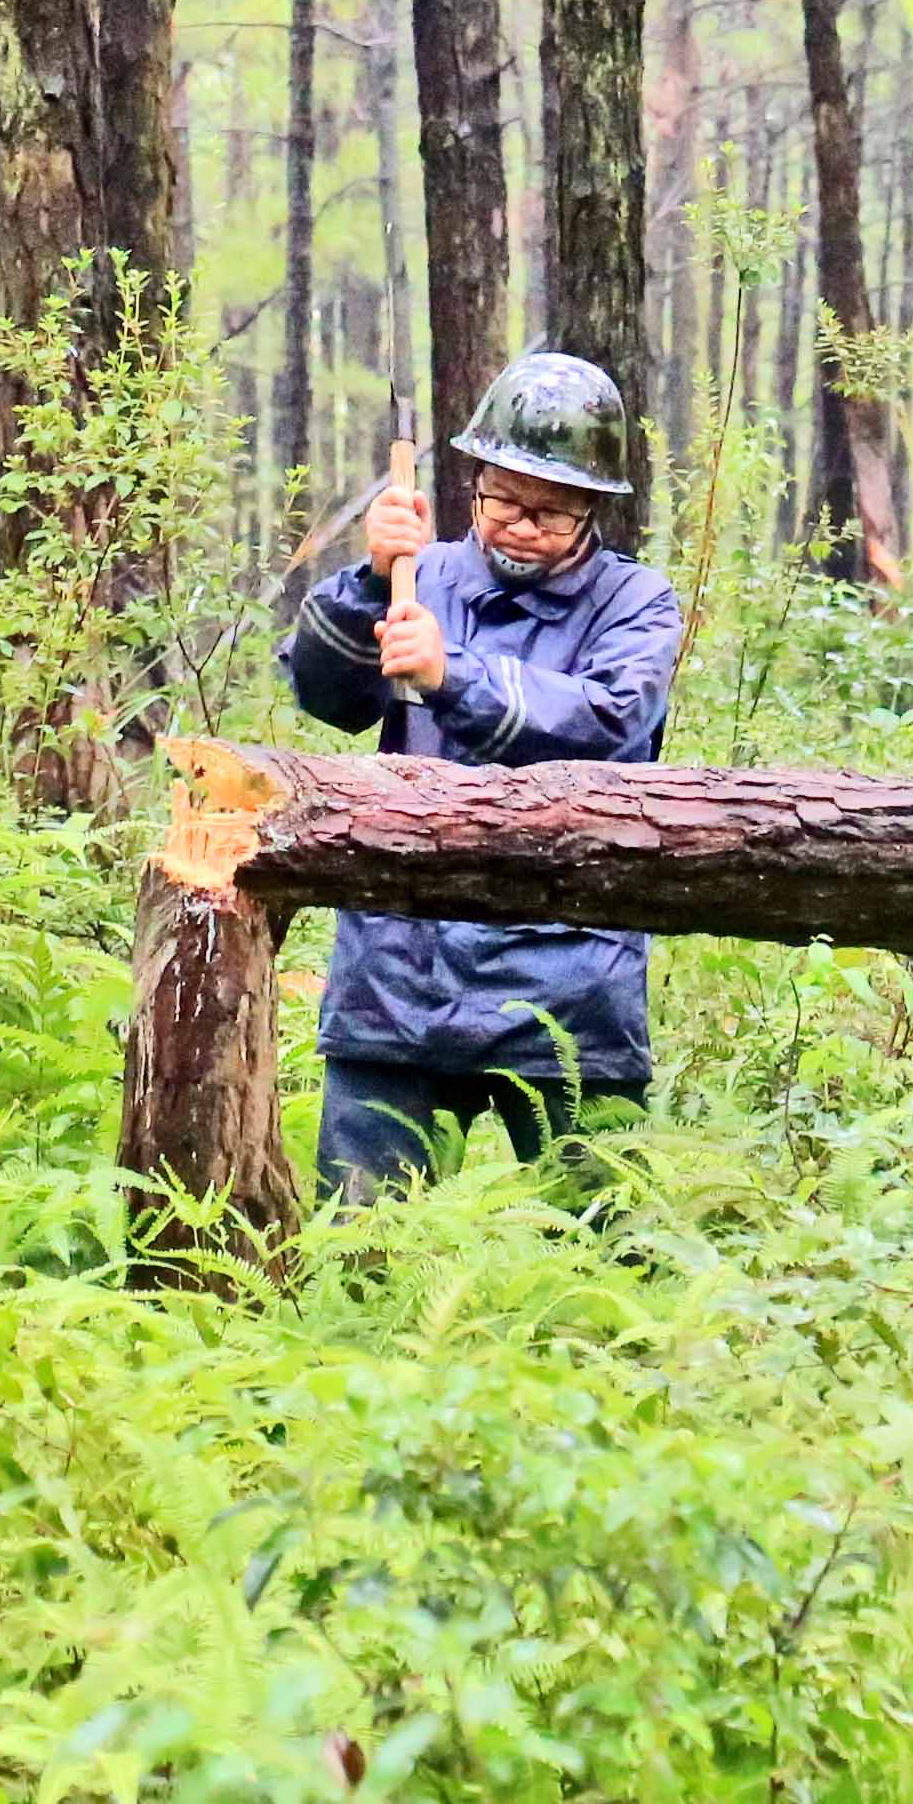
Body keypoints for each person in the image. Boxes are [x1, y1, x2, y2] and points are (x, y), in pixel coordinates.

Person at [279, 347, 686, 1195]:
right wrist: (367, 578)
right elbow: (326, 695)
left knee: (605, 1254)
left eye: (552, 510)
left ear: (595, 508)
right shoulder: (417, 576)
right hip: (400, 974)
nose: (521, 525)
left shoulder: (637, 602)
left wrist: (450, 676)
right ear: (476, 482)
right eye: (503, 499)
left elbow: (610, 722)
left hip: (572, 978)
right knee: (364, 1253)